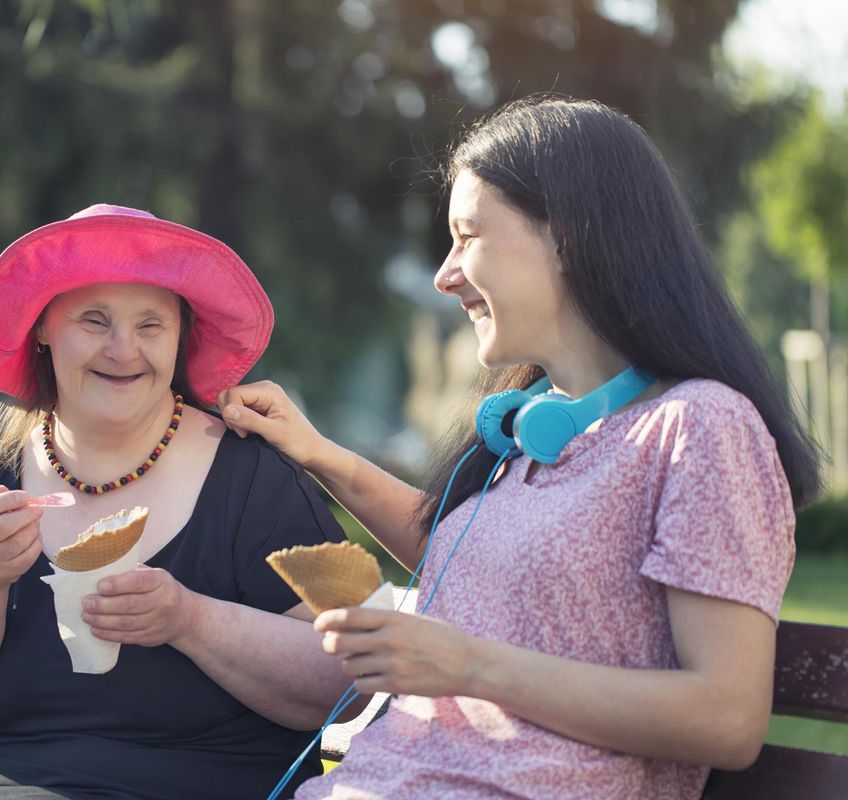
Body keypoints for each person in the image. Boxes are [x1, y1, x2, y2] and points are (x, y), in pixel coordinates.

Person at [218, 96, 822, 800]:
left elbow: (726, 718)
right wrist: (317, 451)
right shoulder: (537, 427)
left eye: (467, 236)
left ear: (568, 235)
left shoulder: (701, 428)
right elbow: (476, 568)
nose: (444, 275)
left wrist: (470, 666)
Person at [0, 204, 355, 800]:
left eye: (151, 326)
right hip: (2, 781)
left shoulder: (258, 480)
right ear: (41, 328)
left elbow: (348, 681)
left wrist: (191, 620)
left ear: (181, 335)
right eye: (94, 320)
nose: (123, 350)